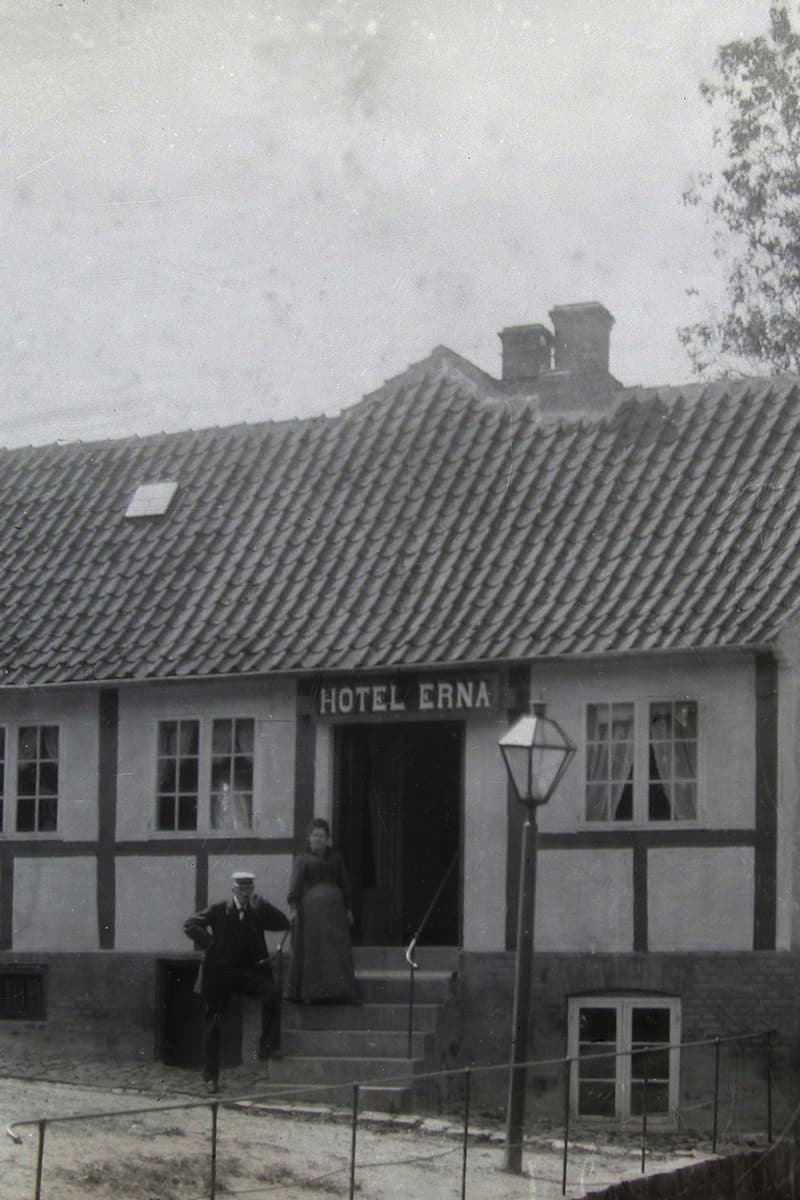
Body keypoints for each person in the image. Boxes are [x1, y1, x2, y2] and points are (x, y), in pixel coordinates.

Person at [184, 869, 290, 1093]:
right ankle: (211, 1077)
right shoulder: (220, 909)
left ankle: (267, 1047)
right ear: (233, 889)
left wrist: (264, 906)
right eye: (241, 889)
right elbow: (190, 925)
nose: (245, 893)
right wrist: (212, 944)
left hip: (247, 973)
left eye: (248, 889)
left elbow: (283, 923)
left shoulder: (257, 911)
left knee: (272, 994)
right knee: (214, 1022)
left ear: (253, 890)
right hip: (219, 974)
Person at [286, 818, 358, 1004]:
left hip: (335, 913)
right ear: (309, 838)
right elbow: (295, 888)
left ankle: (340, 992)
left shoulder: (336, 858)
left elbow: (345, 884)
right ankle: (313, 994)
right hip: (311, 914)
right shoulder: (302, 859)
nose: (318, 839)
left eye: (322, 836)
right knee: (314, 952)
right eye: (315, 835)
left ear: (328, 839)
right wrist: (293, 908)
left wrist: (349, 909)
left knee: (337, 952)